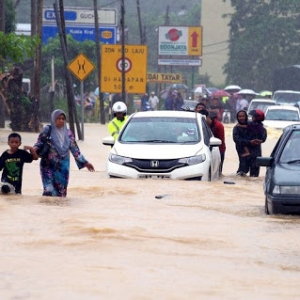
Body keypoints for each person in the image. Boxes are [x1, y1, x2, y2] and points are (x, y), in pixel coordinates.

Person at [33, 109, 95, 197]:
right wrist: (34, 149)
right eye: (58, 119)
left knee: (61, 193)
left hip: (63, 168)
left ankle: (60, 209)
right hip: (48, 166)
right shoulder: (48, 130)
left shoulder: (69, 133)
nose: (61, 121)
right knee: (48, 191)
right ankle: (47, 209)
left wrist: (85, 163)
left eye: (63, 118)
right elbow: (40, 142)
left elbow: (75, 150)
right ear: (53, 119)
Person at [232, 110, 252, 176]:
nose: (241, 118)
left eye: (243, 116)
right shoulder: (236, 128)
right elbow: (236, 139)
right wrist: (249, 142)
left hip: (253, 149)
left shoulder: (252, 126)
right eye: (239, 116)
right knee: (243, 167)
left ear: (246, 116)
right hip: (241, 150)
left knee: (254, 169)